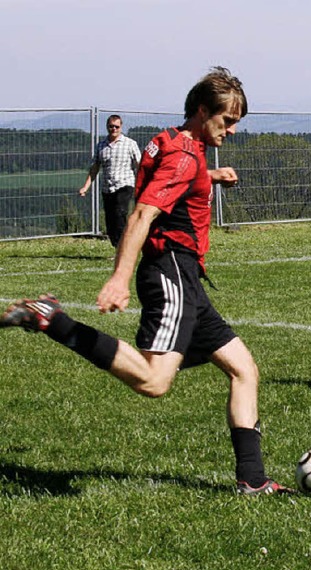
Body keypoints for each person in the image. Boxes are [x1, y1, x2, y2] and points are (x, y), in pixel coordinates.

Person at [2, 67, 293, 495]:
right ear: (201, 111)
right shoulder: (185, 156)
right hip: (172, 271)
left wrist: (209, 177)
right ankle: (51, 319)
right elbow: (142, 213)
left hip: (186, 278)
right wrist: (118, 277)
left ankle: (252, 480)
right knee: (155, 382)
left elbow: (168, 181)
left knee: (244, 369)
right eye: (226, 120)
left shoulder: (176, 143)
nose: (231, 130)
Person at [79, 114, 141, 247]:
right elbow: (94, 168)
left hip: (125, 184)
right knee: (110, 219)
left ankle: (124, 247)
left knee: (120, 213)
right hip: (107, 187)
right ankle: (117, 246)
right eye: (111, 126)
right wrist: (85, 187)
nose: (114, 129)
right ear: (107, 127)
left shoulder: (130, 144)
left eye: (116, 126)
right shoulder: (101, 146)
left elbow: (139, 165)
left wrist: (144, 184)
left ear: (121, 127)